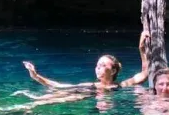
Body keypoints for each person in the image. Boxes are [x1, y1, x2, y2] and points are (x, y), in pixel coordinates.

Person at [22, 32, 151, 93]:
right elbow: (58, 86)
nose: (98, 68)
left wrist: (141, 48)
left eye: (102, 65)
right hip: (89, 98)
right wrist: (35, 76)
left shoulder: (121, 86)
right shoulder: (90, 86)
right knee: (50, 99)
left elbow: (145, 73)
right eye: (97, 66)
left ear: (113, 71)